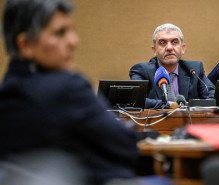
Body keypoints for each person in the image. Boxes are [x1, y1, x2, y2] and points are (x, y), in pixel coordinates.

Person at [0, 0, 168, 185]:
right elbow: (126, 146)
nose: (74, 41)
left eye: (71, 30)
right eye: (60, 33)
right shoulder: (68, 88)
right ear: (25, 44)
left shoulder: (6, 94)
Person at [129, 23, 215, 109]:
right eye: (163, 43)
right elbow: (136, 101)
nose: (169, 48)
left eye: (174, 42)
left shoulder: (194, 69)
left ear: (183, 48)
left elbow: (214, 97)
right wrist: (171, 105)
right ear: (154, 50)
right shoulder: (141, 71)